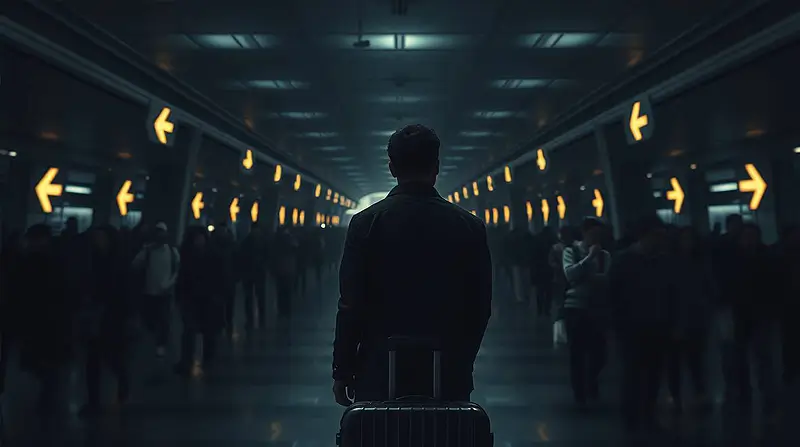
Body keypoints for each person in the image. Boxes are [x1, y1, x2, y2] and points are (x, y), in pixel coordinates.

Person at [332, 124, 492, 405]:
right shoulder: (469, 226)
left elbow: (351, 304)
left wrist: (343, 369)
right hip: (446, 367)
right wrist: (462, 360)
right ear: (437, 166)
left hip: (379, 366)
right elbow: (479, 306)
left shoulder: (366, 223)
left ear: (392, 168)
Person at [608, 215, 676, 432]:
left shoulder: (663, 261)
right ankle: (632, 414)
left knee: (653, 373)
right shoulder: (624, 262)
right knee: (633, 373)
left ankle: (646, 413)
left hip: (657, 325)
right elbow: (613, 295)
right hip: (632, 327)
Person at [561, 217, 611, 407]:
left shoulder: (605, 255)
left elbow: (606, 278)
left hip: (597, 308)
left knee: (599, 352)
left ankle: (592, 380)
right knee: (577, 352)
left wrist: (586, 274)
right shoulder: (571, 251)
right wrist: (588, 259)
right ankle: (580, 391)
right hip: (575, 308)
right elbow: (570, 275)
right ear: (584, 233)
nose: (596, 238)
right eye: (593, 234)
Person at [174, 227, 223, 376]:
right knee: (189, 330)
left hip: (208, 299)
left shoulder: (213, 255)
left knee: (208, 332)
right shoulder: (186, 255)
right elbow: (181, 278)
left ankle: (207, 359)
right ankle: (186, 360)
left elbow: (221, 276)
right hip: (191, 298)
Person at [131, 222, 180, 357]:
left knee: (164, 319)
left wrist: (169, 284)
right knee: (150, 319)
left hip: (164, 293)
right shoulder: (147, 251)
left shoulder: (171, 252)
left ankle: (160, 343)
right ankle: (155, 340)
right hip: (149, 291)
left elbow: (177, 271)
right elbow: (135, 265)